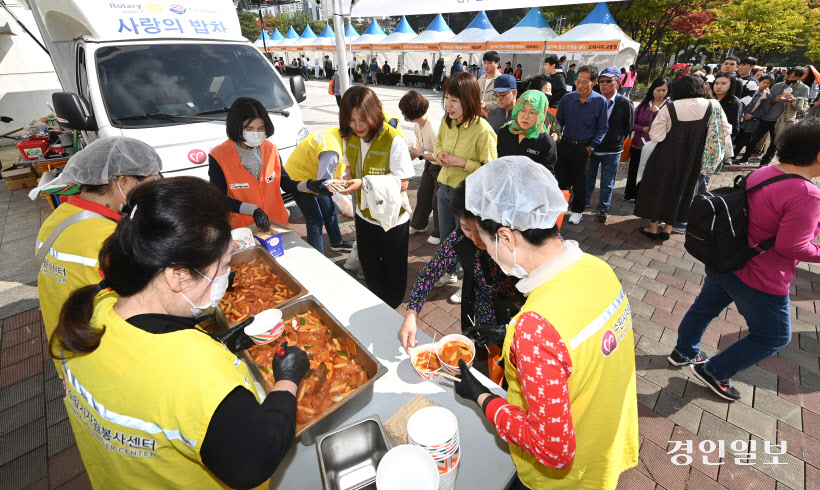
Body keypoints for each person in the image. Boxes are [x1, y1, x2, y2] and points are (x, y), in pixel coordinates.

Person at [50, 176, 310, 488]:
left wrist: (225, 341)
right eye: (225, 265)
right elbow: (254, 461)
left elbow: (147, 375)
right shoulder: (194, 370)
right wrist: (287, 379)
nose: (229, 276)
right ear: (178, 276)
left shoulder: (93, 308)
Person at [454, 157, 639, 490]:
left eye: (485, 240)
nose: (485, 251)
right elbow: (578, 346)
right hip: (604, 440)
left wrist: (481, 395)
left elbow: (552, 449)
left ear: (507, 238)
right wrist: (508, 332)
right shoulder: (599, 270)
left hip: (566, 479)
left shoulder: (535, 330)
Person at [669, 119, 820, 401]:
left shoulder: (765, 172)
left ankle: (683, 352)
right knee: (773, 337)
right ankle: (714, 371)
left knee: (703, 309)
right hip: (762, 277)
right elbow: (793, 246)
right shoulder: (807, 194)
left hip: (727, 260)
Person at [36, 137, 161, 359]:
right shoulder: (109, 238)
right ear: (123, 180)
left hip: (66, 342)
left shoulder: (57, 218)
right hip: (103, 350)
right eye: (149, 182)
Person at [399, 182, 523, 377]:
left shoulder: (518, 239)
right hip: (483, 303)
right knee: (483, 352)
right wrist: (411, 314)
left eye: (480, 231)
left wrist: (510, 330)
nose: (474, 238)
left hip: (518, 308)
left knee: (518, 359)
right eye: (466, 228)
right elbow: (430, 273)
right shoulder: (459, 238)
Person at [337, 86, 415, 308]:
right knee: (370, 267)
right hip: (364, 215)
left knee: (394, 271)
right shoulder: (349, 135)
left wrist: (364, 183)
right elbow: (351, 167)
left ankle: (391, 309)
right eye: (351, 120)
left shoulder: (393, 139)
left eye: (362, 119)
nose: (357, 126)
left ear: (374, 113)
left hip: (391, 218)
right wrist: (348, 178)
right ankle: (378, 307)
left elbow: (404, 182)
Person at [635, 75, 731, 240]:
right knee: (682, 191)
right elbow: (725, 130)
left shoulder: (670, 107)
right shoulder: (713, 105)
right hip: (694, 159)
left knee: (658, 189)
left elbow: (656, 135)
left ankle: (652, 229)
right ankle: (668, 230)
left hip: (665, 156)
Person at [435, 72, 498, 288]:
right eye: (446, 98)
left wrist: (462, 162)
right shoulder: (447, 121)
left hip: (467, 198)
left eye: (454, 100)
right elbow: (439, 145)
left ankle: (470, 284)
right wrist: (440, 155)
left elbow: (491, 171)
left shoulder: (483, 130)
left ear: (469, 99)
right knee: (446, 238)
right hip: (444, 189)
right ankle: (450, 272)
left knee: (469, 242)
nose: (448, 105)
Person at [209, 97, 295, 229]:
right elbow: (219, 199)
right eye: (249, 129)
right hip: (244, 229)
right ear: (236, 127)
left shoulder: (270, 149)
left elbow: (286, 183)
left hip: (276, 224)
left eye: (261, 128)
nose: (256, 134)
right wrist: (252, 210)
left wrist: (307, 185)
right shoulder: (219, 156)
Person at [283, 127, 353, 255]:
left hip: (315, 175)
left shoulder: (341, 134)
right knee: (315, 219)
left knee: (329, 210)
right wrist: (345, 188)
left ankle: (337, 243)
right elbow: (325, 184)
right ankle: (318, 258)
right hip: (299, 179)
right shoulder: (331, 151)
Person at [555, 65, 609, 225]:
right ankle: (559, 209)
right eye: (577, 81)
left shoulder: (600, 102)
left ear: (594, 82)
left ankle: (577, 211)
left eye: (585, 82)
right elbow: (558, 122)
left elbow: (603, 127)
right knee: (560, 180)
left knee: (580, 182)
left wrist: (592, 146)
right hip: (565, 144)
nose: (579, 86)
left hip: (583, 147)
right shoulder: (567, 98)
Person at [585, 67, 635, 223]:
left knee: (607, 181)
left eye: (608, 81)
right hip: (593, 147)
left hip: (612, 150)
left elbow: (629, 127)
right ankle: (584, 201)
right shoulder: (594, 99)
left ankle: (603, 208)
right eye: (601, 81)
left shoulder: (625, 103)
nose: (604, 84)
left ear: (618, 82)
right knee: (588, 178)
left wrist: (617, 139)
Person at [736, 67, 809, 165]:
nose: (790, 79)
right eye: (789, 76)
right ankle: (745, 158)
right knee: (754, 139)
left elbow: (803, 107)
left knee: (775, 143)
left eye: (794, 77)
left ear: (800, 77)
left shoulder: (804, 89)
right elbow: (766, 101)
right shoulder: (778, 85)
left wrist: (793, 100)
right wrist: (775, 99)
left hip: (783, 120)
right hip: (767, 117)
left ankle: (765, 161)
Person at [400, 90, 442, 245]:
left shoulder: (434, 128)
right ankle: (419, 224)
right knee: (423, 195)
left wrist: (419, 154)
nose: (404, 115)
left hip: (441, 168)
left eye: (405, 112)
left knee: (437, 200)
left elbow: (439, 157)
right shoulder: (419, 125)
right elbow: (419, 147)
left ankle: (439, 231)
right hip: (429, 165)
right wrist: (412, 154)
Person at [624, 77, 670, 201]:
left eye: (664, 90)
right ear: (652, 90)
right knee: (634, 169)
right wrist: (642, 129)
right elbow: (632, 124)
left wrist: (657, 112)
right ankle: (629, 194)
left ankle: (641, 197)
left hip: (656, 144)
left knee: (648, 171)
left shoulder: (670, 106)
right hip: (639, 143)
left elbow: (667, 125)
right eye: (658, 90)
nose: (661, 93)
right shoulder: (644, 105)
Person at [495, 90, 558, 173]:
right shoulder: (505, 131)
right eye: (522, 110)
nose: (526, 116)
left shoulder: (546, 142)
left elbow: (546, 176)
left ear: (540, 115)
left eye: (532, 112)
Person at [734, 74, 774, 162]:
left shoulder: (767, 96)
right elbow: (742, 102)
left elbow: (764, 110)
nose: (765, 85)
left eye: (768, 83)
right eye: (764, 82)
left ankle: (738, 157)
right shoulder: (750, 90)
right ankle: (731, 155)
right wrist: (745, 113)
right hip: (740, 116)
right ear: (759, 81)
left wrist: (750, 115)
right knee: (736, 136)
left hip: (752, 121)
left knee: (745, 139)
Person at [713, 72, 743, 146]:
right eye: (716, 83)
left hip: (720, 140)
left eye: (723, 84)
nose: (719, 86)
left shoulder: (734, 102)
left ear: (731, 86)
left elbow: (734, 126)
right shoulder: (708, 98)